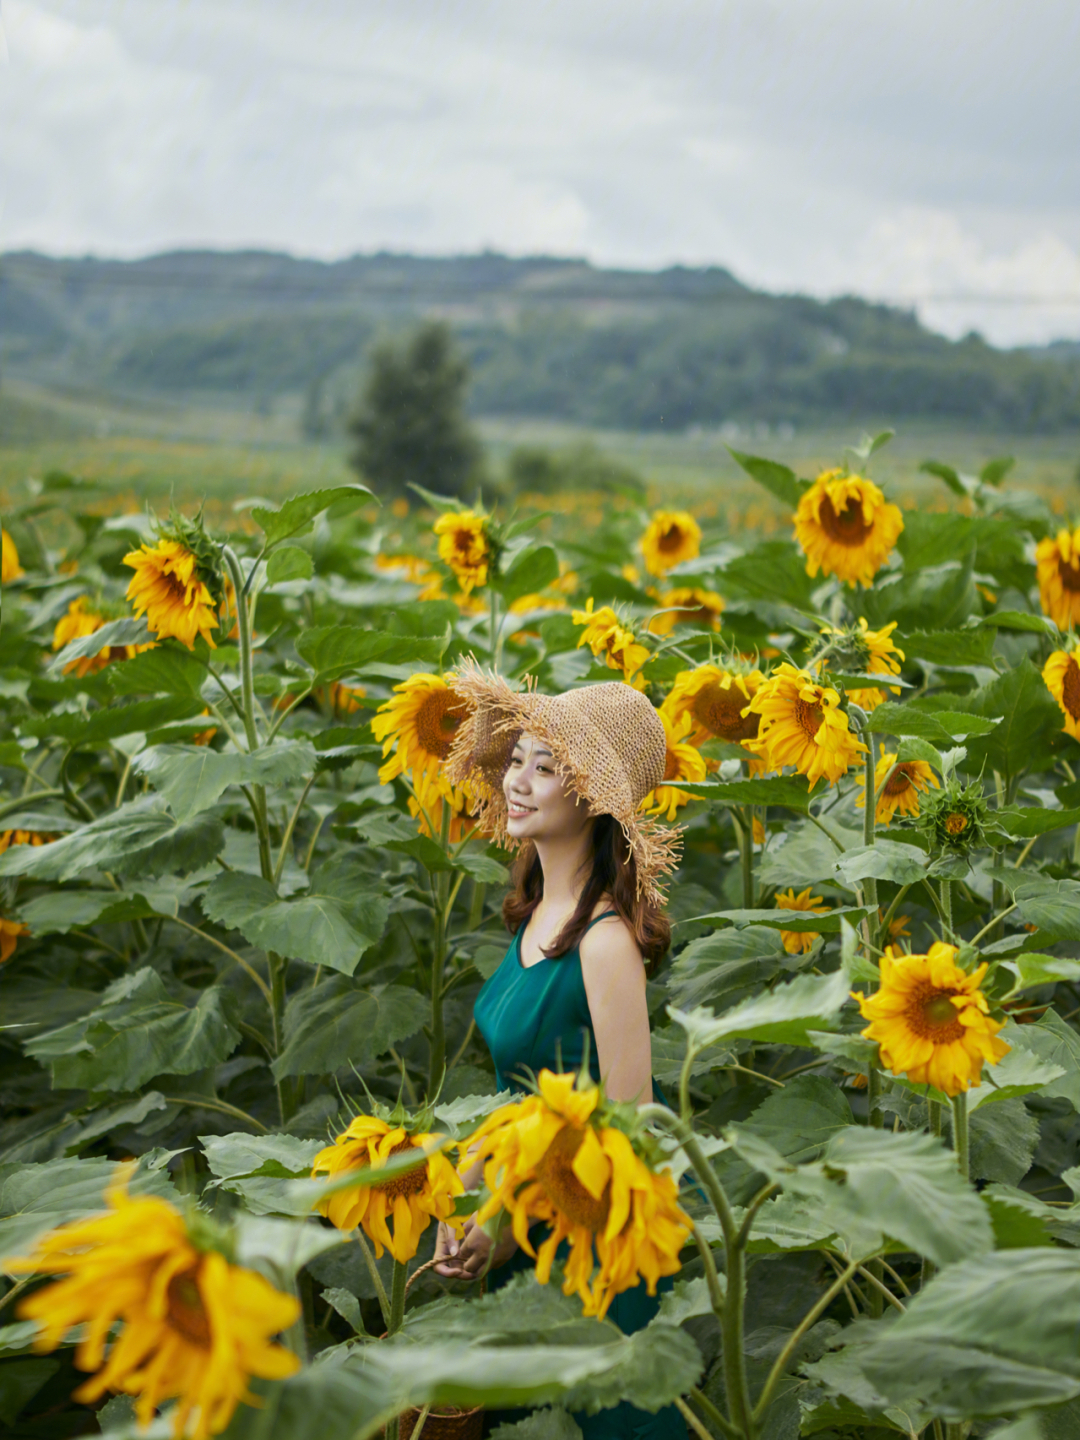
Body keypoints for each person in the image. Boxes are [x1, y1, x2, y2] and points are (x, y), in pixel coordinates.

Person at [433, 665, 685, 1440]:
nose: (518, 779)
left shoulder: (605, 943)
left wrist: (509, 1216)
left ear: (591, 800)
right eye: (518, 760)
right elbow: (518, 1093)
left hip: (588, 1240)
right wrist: (465, 1194)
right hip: (524, 1219)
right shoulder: (537, 917)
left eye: (546, 768)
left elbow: (630, 1126)